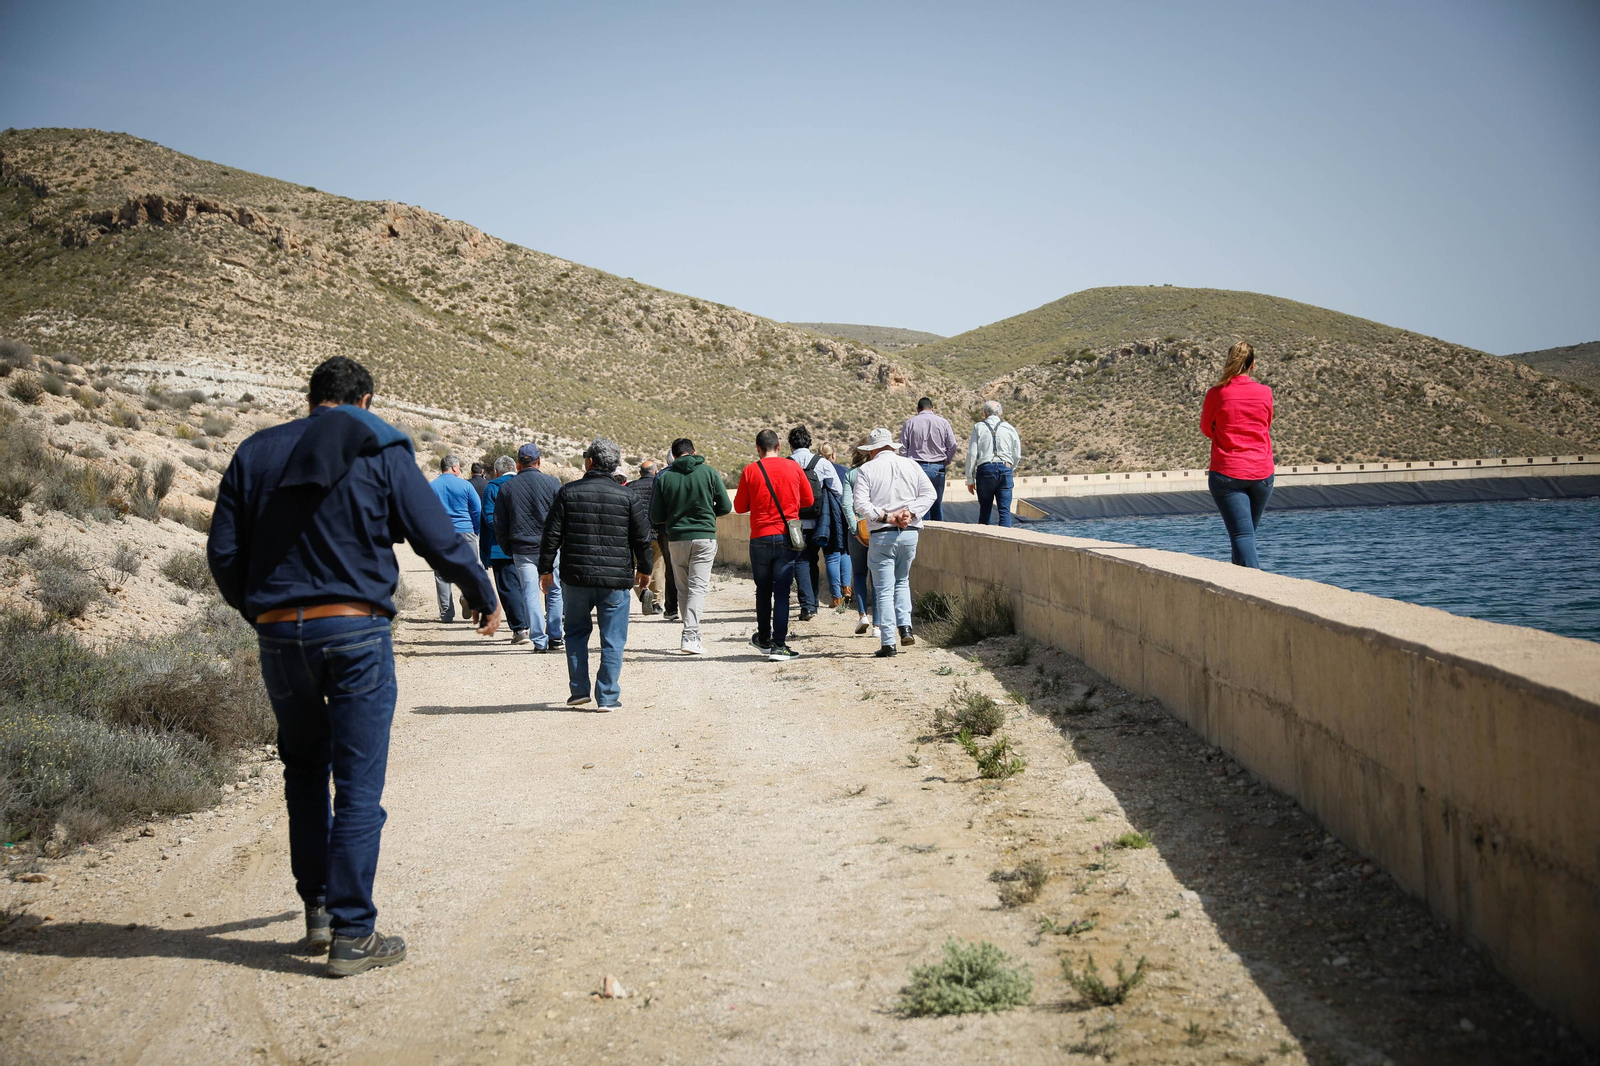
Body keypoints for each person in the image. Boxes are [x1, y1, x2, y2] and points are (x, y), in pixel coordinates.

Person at [207, 356, 502, 977]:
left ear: (310, 398)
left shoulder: (255, 452)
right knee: (359, 784)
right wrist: (480, 590)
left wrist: (260, 612)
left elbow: (225, 553)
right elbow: (434, 535)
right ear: (365, 399)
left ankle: (315, 908)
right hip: (355, 630)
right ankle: (352, 933)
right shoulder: (378, 444)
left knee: (304, 771)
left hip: (280, 634)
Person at [537, 438, 653, 710]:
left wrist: (545, 569)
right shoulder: (628, 496)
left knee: (576, 632)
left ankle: (579, 690)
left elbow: (551, 535)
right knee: (613, 638)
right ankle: (608, 697)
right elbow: (643, 539)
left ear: (589, 462)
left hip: (575, 578)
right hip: (615, 581)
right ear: (614, 467)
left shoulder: (568, 492)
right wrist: (645, 570)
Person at [853, 427, 936, 658]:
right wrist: (909, 512)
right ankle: (906, 627)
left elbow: (860, 504)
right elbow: (930, 494)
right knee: (902, 581)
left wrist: (887, 516)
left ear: (873, 450)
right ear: (891, 446)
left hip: (882, 534)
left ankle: (888, 642)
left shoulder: (867, 469)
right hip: (910, 533)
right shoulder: (911, 464)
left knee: (884, 589)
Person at [733, 429, 813, 662]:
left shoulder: (750, 470)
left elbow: (739, 507)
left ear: (758, 448)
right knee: (782, 593)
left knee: (763, 590)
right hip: (787, 537)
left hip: (760, 538)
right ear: (779, 446)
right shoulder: (793, 468)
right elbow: (808, 500)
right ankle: (779, 644)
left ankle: (764, 639)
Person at [649, 437, 733, 655]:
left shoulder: (664, 477)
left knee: (684, 588)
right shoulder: (709, 473)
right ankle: (690, 634)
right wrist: (706, 512)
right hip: (704, 536)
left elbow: (656, 515)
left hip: (676, 538)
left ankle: (691, 633)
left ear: (674, 456)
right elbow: (725, 505)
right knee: (698, 587)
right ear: (694, 452)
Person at [1201, 341, 1275, 568]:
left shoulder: (1216, 393)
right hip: (1262, 474)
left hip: (1228, 473)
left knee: (1242, 536)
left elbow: (1206, 428)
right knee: (1246, 535)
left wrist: (1225, 435)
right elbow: (1266, 425)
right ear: (1253, 365)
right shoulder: (1265, 392)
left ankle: (1254, 588)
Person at [494, 443, 565, 651]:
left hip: (522, 549)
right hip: (550, 549)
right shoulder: (553, 483)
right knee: (554, 590)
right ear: (539, 461)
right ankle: (555, 636)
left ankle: (539, 640)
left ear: (518, 464)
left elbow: (500, 523)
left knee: (530, 593)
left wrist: (509, 548)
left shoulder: (507, 487)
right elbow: (562, 518)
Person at [787, 426, 843, 621]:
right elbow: (838, 490)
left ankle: (808, 605)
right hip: (819, 523)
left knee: (800, 561)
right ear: (809, 443)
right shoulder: (822, 463)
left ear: (790, 444)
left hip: (794, 523)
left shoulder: (787, 464)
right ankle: (813, 603)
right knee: (812, 561)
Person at [481, 456, 530, 642]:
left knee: (508, 588)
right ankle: (531, 625)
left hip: (500, 548)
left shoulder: (493, 487)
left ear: (496, 472)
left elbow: (489, 518)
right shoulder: (523, 483)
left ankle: (520, 628)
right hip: (527, 544)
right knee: (526, 586)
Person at [429, 455, 481, 623]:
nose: (459, 470)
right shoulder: (465, 485)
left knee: (442, 575)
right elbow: (476, 510)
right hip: (465, 532)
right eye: (458, 468)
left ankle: (446, 613)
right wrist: (476, 530)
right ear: (453, 467)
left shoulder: (431, 486)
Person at [898, 397, 959, 521]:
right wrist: (946, 460)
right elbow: (952, 445)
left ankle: (922, 535)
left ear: (917, 409)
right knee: (936, 504)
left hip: (916, 467)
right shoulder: (943, 422)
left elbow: (903, 448)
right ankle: (939, 535)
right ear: (933, 408)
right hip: (938, 467)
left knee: (919, 505)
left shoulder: (910, 423)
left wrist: (907, 465)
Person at [629, 459, 676, 618]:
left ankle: (642, 593)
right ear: (655, 472)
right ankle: (656, 603)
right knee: (657, 568)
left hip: (634, 535)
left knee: (632, 568)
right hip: (655, 534)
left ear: (639, 473)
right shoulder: (659, 484)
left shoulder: (630, 487)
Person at [964, 400, 1022, 527]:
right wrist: (1011, 467)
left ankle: (983, 542)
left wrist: (970, 478)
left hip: (985, 469)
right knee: (1005, 511)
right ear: (1000, 412)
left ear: (984, 413)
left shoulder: (978, 427)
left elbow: (972, 453)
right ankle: (1006, 543)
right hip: (1005, 468)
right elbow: (1017, 454)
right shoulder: (1009, 428)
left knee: (985, 511)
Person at [839, 442, 875, 636]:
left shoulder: (851, 475)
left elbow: (846, 504)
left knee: (859, 574)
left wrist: (854, 528)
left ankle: (862, 615)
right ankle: (878, 625)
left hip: (857, 530)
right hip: (877, 528)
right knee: (878, 576)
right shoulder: (877, 471)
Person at [816, 442, 851, 606]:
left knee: (831, 556)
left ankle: (836, 597)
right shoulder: (845, 471)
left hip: (826, 517)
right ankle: (847, 588)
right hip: (844, 515)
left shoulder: (816, 471)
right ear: (834, 455)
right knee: (845, 551)